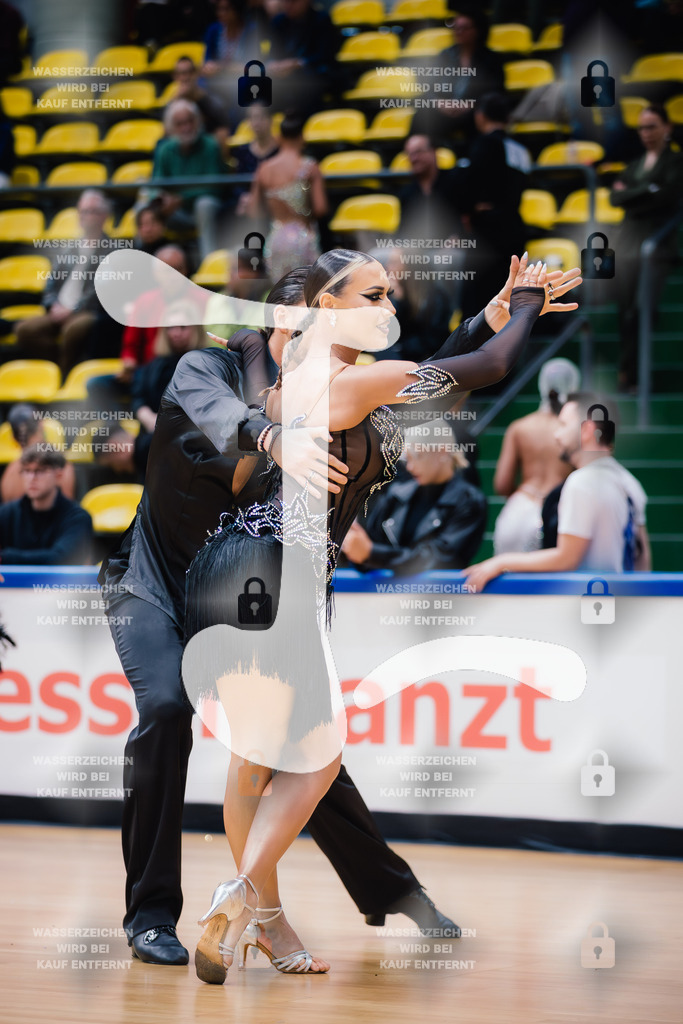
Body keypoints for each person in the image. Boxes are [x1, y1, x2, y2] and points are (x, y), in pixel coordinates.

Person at [182, 250, 582, 982]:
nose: (388, 301)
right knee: (316, 757)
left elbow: (439, 374)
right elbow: (488, 368)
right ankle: (241, 897)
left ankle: (261, 922)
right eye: (372, 293)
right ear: (328, 308)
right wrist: (524, 305)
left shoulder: (313, 380)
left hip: (225, 567)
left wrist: (493, 309)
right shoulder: (359, 380)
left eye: (390, 291)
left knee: (254, 764)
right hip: (281, 572)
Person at [100, 268, 468, 971]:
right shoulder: (206, 366)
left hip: (240, 594)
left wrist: (489, 319)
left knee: (302, 747)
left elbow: (421, 376)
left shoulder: (318, 383)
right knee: (167, 712)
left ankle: (389, 890)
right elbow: (218, 414)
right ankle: (151, 913)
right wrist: (273, 439)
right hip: (152, 583)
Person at [463, 392, 651, 591]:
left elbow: (566, 558)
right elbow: (642, 558)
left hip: (589, 601)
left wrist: (501, 562)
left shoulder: (581, 482)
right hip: (617, 601)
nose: (556, 434)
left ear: (587, 430)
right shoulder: (629, 481)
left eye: (562, 425)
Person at [341, 422, 487, 573]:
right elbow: (368, 548)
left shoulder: (469, 501)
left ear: (442, 452)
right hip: (385, 594)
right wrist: (354, 548)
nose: (410, 467)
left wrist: (372, 554)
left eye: (417, 456)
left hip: (439, 595)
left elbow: (438, 559)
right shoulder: (397, 494)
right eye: (407, 458)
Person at [609, 104, 683, 391]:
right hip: (628, 246)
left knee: (642, 310)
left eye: (652, 126)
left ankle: (635, 373)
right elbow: (615, 199)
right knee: (625, 312)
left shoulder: (675, 161)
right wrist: (647, 189)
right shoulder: (634, 163)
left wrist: (632, 195)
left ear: (668, 128)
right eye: (642, 127)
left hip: (656, 245)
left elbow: (668, 195)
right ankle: (628, 372)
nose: (646, 133)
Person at [15, 190, 112, 374]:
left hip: (87, 310)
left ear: (104, 216)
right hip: (59, 308)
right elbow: (51, 283)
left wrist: (73, 309)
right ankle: (61, 368)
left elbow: (100, 290)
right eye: (82, 211)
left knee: (73, 329)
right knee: (24, 330)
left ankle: (64, 377)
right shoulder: (69, 248)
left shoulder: (111, 250)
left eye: (91, 211)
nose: (85, 216)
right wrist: (53, 305)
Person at [453, 93, 531, 319]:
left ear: (480, 116)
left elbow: (465, 184)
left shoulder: (486, 144)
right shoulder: (521, 150)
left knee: (480, 305)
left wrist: (469, 210)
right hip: (513, 228)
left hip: (488, 234)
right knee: (508, 301)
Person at [492, 357, 580, 555]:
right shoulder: (573, 431)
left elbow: (502, 484)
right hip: (554, 514)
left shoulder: (519, 427)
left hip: (516, 511)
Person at [245, 111, 327, 281]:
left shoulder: (264, 169)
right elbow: (320, 208)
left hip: (276, 239)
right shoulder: (309, 167)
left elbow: (254, 211)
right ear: (302, 137)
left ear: (279, 137)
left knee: (280, 295)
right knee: (304, 294)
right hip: (302, 239)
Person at [413, 6, 505, 144]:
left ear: (478, 30)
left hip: (474, 111)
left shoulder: (491, 59)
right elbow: (428, 87)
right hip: (445, 110)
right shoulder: (445, 56)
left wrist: (471, 104)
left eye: (464, 28)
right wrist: (440, 102)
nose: (458, 32)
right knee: (422, 114)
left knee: (480, 118)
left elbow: (496, 91)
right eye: (455, 27)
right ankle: (423, 154)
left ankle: (476, 158)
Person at [151, 100, 228, 260]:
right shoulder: (164, 149)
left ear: (197, 121)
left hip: (204, 212)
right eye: (180, 123)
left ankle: (209, 262)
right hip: (175, 213)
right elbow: (155, 184)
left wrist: (180, 199)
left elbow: (215, 186)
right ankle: (146, 261)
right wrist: (161, 201)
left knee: (204, 204)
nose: (186, 127)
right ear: (172, 127)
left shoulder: (210, 145)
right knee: (143, 209)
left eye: (189, 121)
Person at [0, 445, 93, 565]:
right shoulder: (6, 513)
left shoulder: (78, 517)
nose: (32, 478)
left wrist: (5, 557)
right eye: (27, 471)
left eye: (40, 471)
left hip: (59, 584)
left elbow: (60, 559)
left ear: (58, 475)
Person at [132, 305, 208, 434]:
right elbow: (139, 399)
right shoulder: (154, 365)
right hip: (154, 432)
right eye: (170, 328)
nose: (176, 333)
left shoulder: (207, 363)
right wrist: (149, 418)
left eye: (183, 327)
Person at [266, 0, 340, 115]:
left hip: (314, 73)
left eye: (293, 2)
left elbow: (325, 56)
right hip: (284, 74)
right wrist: (274, 64)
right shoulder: (278, 22)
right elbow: (272, 53)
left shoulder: (322, 19)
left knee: (305, 83)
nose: (288, 5)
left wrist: (297, 64)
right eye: (285, 2)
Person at [1, 403, 77, 503]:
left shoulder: (8, 477)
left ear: (14, 439)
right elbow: (67, 511)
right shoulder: (61, 466)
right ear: (41, 425)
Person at [398, 135, 461, 247]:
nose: (413, 158)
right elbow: (402, 231)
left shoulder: (456, 181)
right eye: (409, 154)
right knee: (378, 255)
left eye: (418, 152)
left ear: (433, 152)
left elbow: (466, 220)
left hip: (453, 246)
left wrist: (458, 238)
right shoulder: (406, 192)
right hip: (417, 249)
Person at [169, 55, 229, 148]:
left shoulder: (213, 104)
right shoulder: (173, 105)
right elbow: (166, 135)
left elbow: (221, 142)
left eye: (189, 72)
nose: (185, 77)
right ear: (175, 77)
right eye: (181, 74)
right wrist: (177, 100)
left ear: (196, 73)